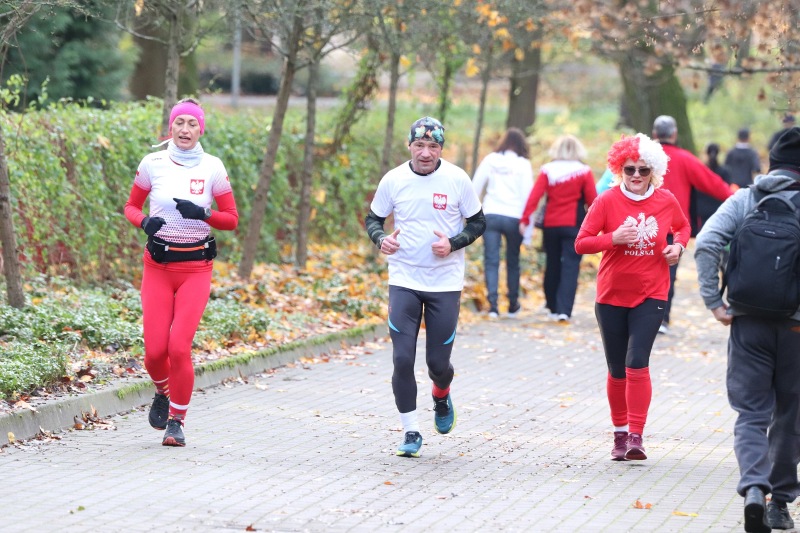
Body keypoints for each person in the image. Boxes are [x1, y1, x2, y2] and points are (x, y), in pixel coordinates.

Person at [695, 128, 800, 532]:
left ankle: (754, 487)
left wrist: (714, 302)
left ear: (771, 162)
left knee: (751, 414)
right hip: (796, 331)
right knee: (790, 416)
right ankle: (780, 504)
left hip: (747, 323)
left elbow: (705, 244)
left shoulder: (746, 198)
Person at [364, 117, 485, 458]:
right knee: (402, 359)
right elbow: (373, 219)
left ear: (441, 149)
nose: (426, 152)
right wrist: (381, 240)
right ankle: (411, 431)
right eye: (420, 145)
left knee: (437, 363)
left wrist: (454, 243)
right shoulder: (394, 179)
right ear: (410, 146)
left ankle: (442, 394)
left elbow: (478, 222)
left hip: (444, 283)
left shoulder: (457, 179)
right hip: (404, 279)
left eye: (433, 147)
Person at [124, 98, 239, 447]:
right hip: (157, 267)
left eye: (192, 123)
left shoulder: (213, 168)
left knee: (178, 347)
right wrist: (144, 221)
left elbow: (231, 219)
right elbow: (131, 206)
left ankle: (177, 420)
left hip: (196, 269)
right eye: (179, 123)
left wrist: (203, 214)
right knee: (154, 352)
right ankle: (162, 391)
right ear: (170, 128)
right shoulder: (152, 163)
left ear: (200, 128)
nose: (185, 129)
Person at [575, 133, 689, 462]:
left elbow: (683, 227)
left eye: (642, 170)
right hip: (610, 295)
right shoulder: (607, 200)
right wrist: (613, 238)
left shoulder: (666, 200)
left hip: (651, 294)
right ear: (618, 170)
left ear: (654, 171)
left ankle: (637, 436)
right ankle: (619, 434)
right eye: (629, 170)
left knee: (636, 361)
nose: (636, 176)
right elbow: (581, 243)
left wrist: (678, 247)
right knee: (616, 370)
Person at [651, 115, 733, 334]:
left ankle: (637, 317)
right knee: (667, 275)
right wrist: (735, 197)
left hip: (642, 226)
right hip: (672, 230)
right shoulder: (684, 158)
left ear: (654, 134)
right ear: (675, 134)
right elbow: (712, 183)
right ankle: (661, 319)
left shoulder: (643, 158)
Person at [519, 135, 597, 322]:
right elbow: (593, 201)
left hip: (551, 225)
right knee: (571, 266)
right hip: (574, 226)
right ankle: (564, 310)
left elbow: (535, 196)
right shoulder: (584, 171)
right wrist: (597, 225)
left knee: (552, 264)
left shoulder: (548, 170)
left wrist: (525, 219)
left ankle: (552, 306)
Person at [472, 128, 534, 318]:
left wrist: (474, 215)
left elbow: (474, 186)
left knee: (491, 260)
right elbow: (528, 196)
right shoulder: (523, 164)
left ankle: (493, 306)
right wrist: (528, 230)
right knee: (513, 261)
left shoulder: (490, 160)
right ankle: (513, 304)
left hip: (491, 214)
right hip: (514, 217)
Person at [696, 143, 732, 230]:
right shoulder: (725, 171)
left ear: (706, 153)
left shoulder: (701, 170)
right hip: (719, 210)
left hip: (703, 210)